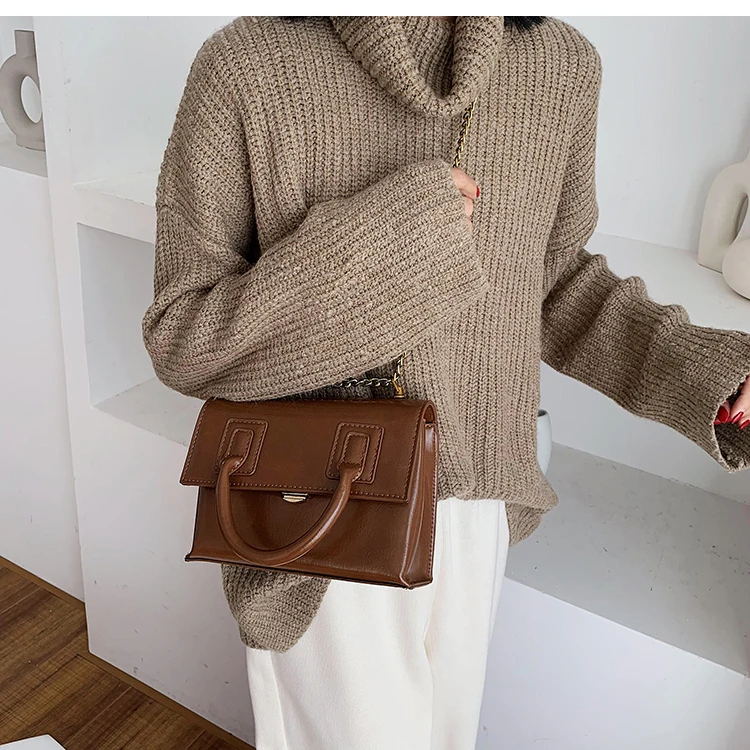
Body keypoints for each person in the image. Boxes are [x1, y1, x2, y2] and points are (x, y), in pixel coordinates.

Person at [142, 15, 750, 750]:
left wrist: (709, 374)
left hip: (478, 505)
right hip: (320, 521)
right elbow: (184, 334)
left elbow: (549, 282)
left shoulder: (560, 68)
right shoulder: (246, 66)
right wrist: (391, 249)